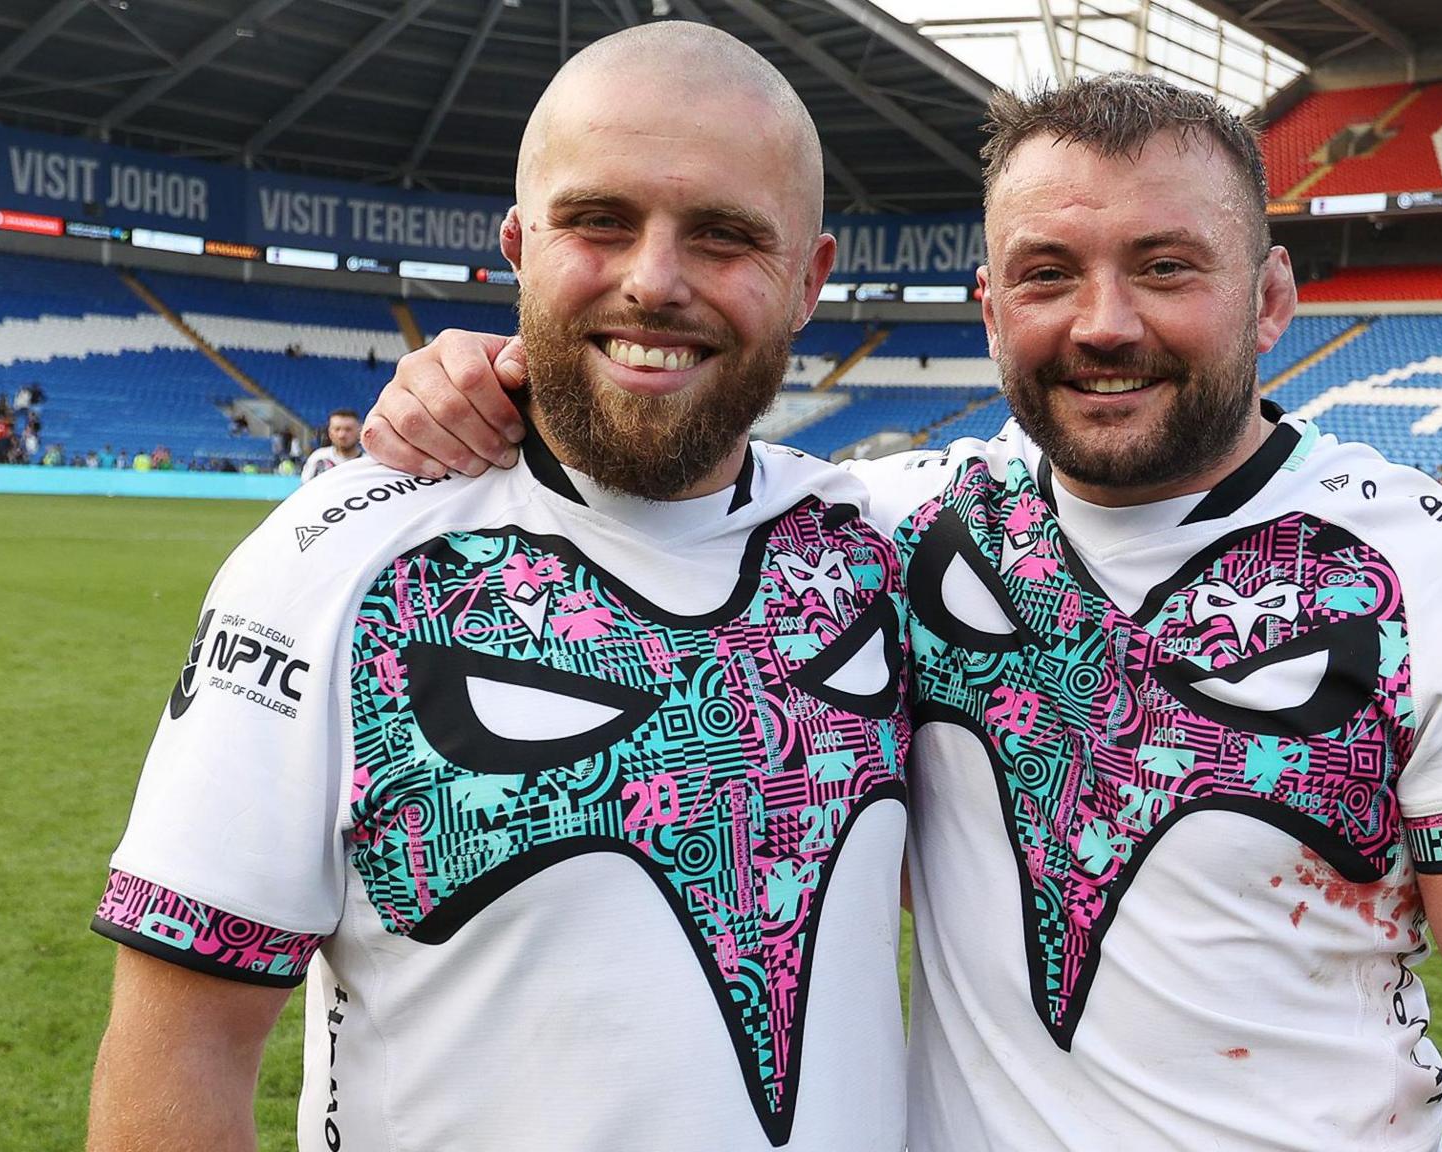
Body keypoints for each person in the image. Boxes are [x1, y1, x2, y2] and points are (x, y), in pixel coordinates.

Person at [367, 71, 1442, 1151]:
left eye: (1164, 268)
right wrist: (471, 377)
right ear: (987, 310)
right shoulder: (885, 531)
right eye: (1046, 275)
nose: (1102, 323)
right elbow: (653, 456)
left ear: (1271, 296)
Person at [86, 25, 910, 1152]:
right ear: (519, 244)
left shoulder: (893, 548)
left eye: (723, 236)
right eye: (598, 222)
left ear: (809, 279)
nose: (651, 280)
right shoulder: (332, 563)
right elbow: (184, 1045)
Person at [299, 409, 365, 482]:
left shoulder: (368, 462)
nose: (341, 435)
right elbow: (305, 487)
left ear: (359, 431)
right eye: (337, 429)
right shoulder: (318, 458)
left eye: (348, 429)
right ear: (330, 432)